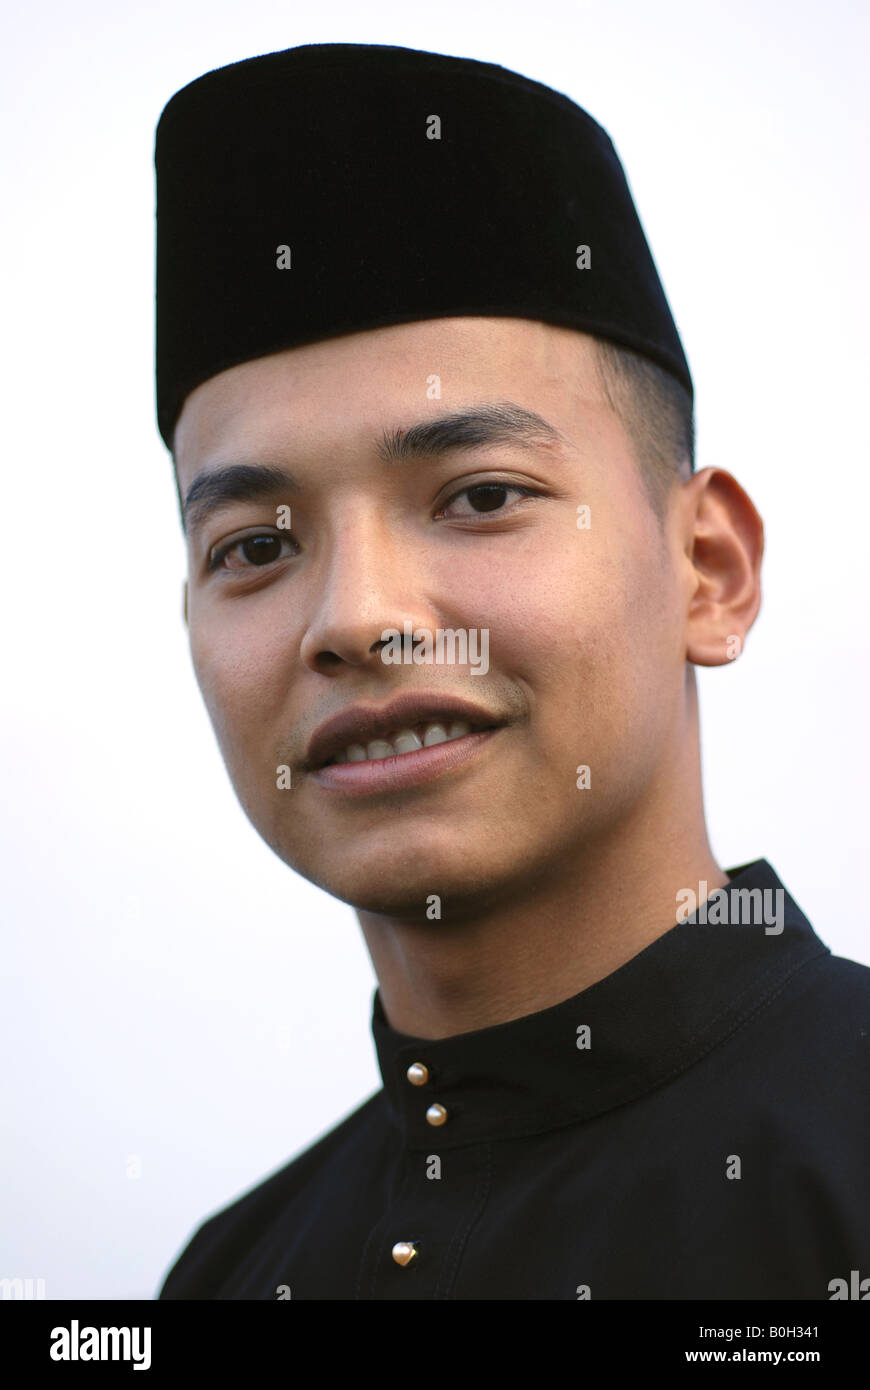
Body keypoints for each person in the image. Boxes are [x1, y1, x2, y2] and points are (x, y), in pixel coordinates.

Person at [154, 42, 870, 1300]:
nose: (360, 620)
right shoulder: (225, 1277)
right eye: (255, 546)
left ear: (706, 569)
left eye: (481, 495)